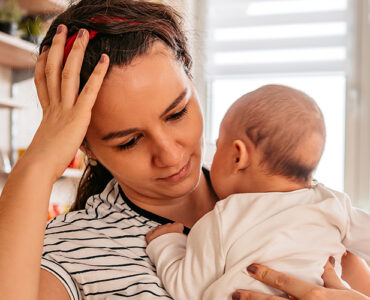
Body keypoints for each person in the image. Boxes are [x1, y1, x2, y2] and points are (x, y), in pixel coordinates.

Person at [0, 0, 368, 299]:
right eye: (129, 140)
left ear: (191, 79)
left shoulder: (285, 193)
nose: (171, 155)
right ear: (85, 146)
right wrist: (38, 163)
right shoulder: (73, 250)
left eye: (177, 113)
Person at [145, 85, 370, 300]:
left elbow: (187, 290)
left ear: (237, 156)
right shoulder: (333, 203)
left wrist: (166, 243)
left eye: (218, 145)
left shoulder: (223, 218)